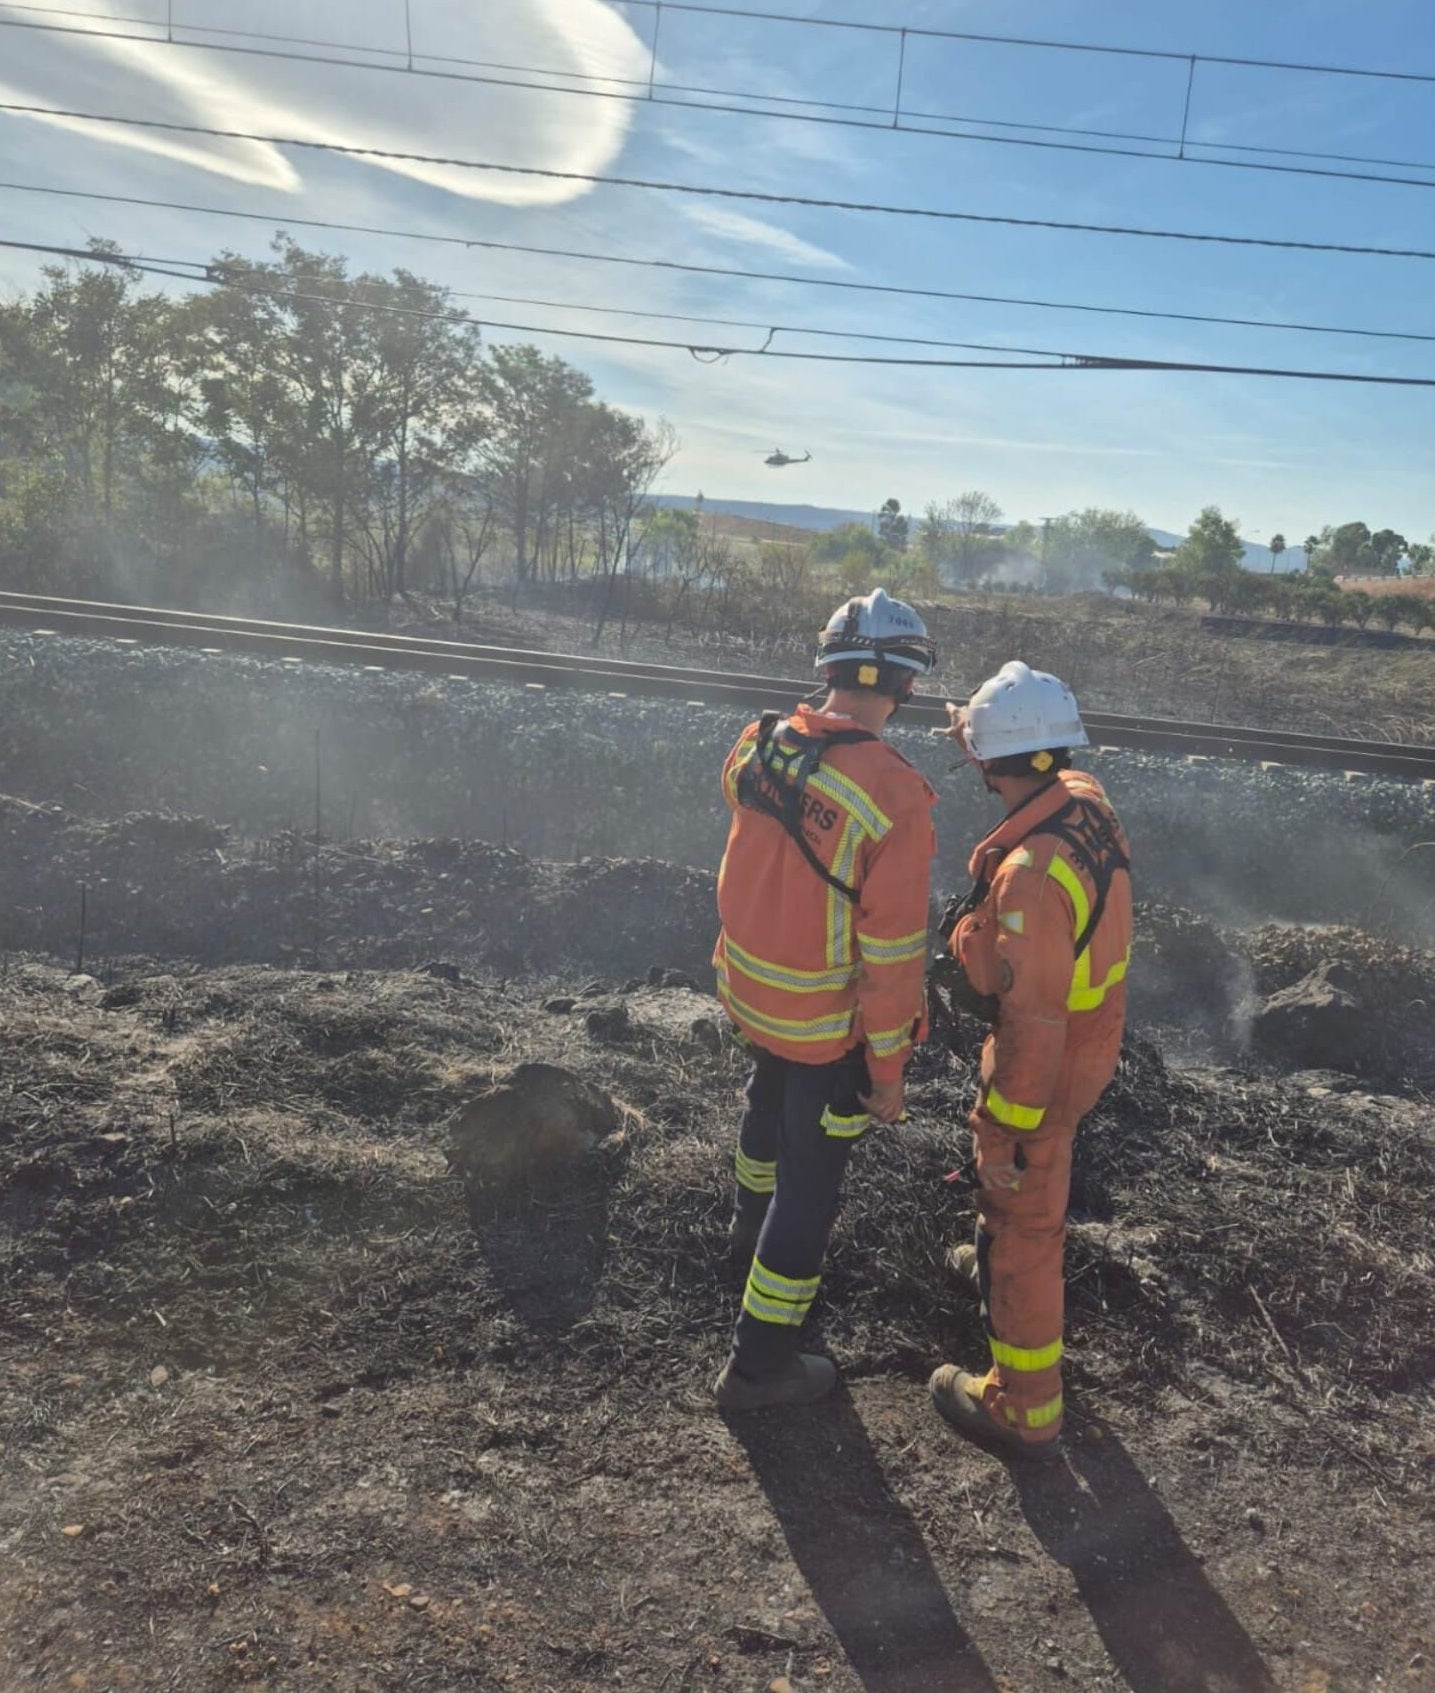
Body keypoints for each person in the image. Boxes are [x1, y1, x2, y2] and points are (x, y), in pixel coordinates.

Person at [712, 588, 938, 1411]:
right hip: (824, 1024)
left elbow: (749, 822)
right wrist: (887, 1070)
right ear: (906, 685)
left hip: (752, 991)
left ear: (827, 665)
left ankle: (744, 1234)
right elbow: (890, 954)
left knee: (761, 1108)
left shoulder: (759, 740)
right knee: (809, 1190)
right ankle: (759, 1364)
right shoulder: (895, 794)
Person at [929, 660, 1132, 1460]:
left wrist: (1007, 1130)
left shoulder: (1028, 879)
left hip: (1045, 1067)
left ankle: (1023, 1403)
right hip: (1087, 1039)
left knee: (1025, 1212)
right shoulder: (1083, 798)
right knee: (1015, 1203)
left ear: (989, 762)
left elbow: (1033, 1017)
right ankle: (990, 1247)